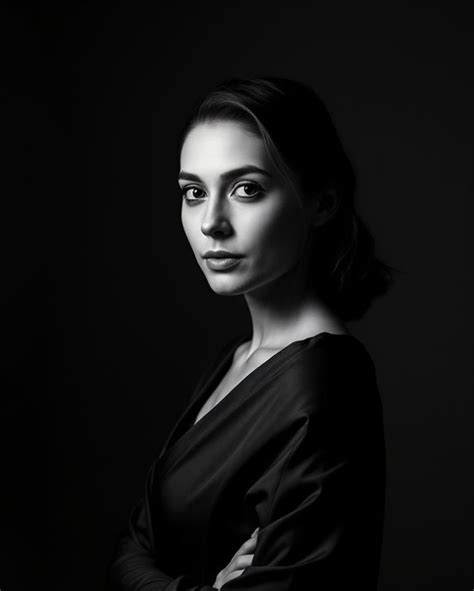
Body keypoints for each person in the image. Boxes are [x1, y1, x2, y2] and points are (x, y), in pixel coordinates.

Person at [106, 76, 396, 590]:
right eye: (194, 192)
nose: (211, 222)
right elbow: (128, 551)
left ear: (322, 202)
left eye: (246, 189)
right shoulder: (235, 359)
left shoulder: (324, 384)